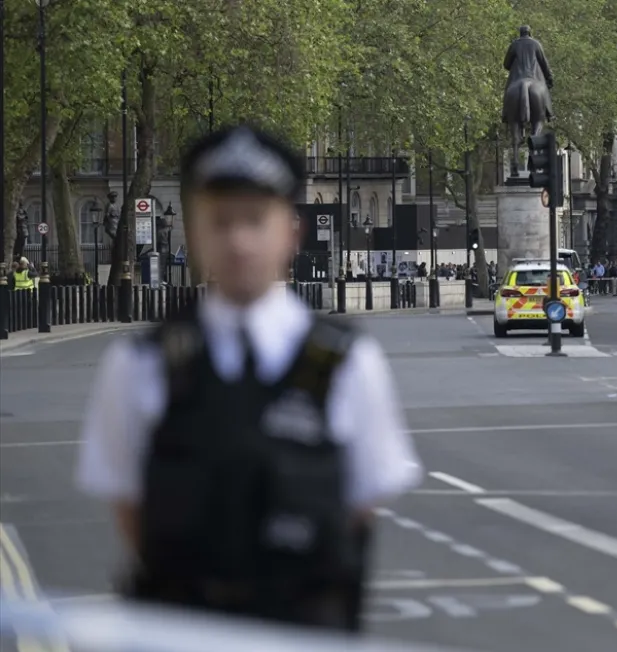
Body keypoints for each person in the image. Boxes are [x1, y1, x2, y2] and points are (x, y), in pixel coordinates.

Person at [75, 126, 422, 632]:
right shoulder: (140, 363)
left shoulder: (347, 361)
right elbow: (129, 508)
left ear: (291, 231)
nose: (238, 240)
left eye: (256, 220)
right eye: (221, 221)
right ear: (195, 233)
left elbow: (360, 503)